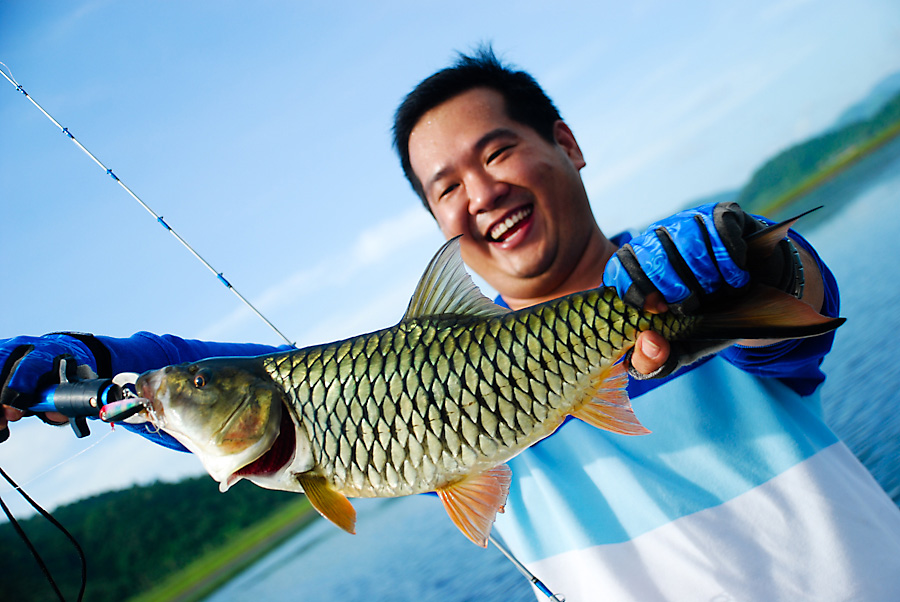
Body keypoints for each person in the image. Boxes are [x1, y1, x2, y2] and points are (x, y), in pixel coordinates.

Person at [3, 48, 900, 600]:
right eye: (446, 187)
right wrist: (89, 363)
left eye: (499, 150)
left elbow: (802, 317)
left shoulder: (687, 271)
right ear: (438, 223)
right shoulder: (400, 376)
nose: (481, 194)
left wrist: (760, 260)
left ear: (566, 142)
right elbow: (215, 381)